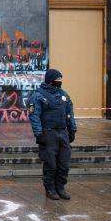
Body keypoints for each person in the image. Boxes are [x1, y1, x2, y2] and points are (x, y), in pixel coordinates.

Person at [28, 69, 77, 201]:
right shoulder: (38, 96)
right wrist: (39, 134)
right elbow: (34, 116)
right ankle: (50, 188)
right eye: (57, 80)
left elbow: (70, 113)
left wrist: (72, 129)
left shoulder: (64, 95)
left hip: (63, 133)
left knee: (64, 163)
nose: (59, 83)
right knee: (51, 164)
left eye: (60, 80)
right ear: (50, 80)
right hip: (48, 133)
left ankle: (60, 187)